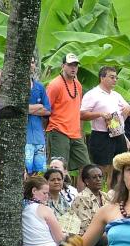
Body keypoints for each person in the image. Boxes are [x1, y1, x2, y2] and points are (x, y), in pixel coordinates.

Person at [80, 66, 130, 181]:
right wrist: (100, 114)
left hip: (118, 133)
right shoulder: (92, 94)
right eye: (112, 77)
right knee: (102, 167)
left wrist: (129, 108)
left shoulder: (116, 95)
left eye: (116, 78)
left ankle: (114, 193)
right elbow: (82, 114)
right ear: (102, 78)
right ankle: (100, 191)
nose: (115, 80)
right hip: (101, 134)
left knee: (119, 166)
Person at [46, 53, 91, 186]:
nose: (73, 68)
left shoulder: (77, 85)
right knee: (58, 168)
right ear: (63, 66)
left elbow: (77, 110)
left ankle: (82, 199)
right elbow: (46, 110)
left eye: (75, 65)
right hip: (58, 130)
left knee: (86, 167)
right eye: (70, 65)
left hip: (75, 133)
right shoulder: (55, 85)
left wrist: (81, 131)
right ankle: (57, 197)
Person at [62, 165, 110, 246]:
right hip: (85, 238)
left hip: (103, 234)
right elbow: (86, 228)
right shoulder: (82, 198)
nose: (98, 179)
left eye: (100, 176)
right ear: (86, 181)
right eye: (94, 177)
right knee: (108, 239)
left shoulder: (106, 196)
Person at [22, 176, 64, 246]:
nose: (47, 197)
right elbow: (60, 239)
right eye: (44, 193)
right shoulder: (45, 209)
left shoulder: (22, 207)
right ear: (34, 191)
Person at [26, 58, 51, 174]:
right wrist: (38, 106)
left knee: (39, 170)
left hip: (38, 134)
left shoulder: (39, 87)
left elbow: (47, 110)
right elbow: (18, 109)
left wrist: (29, 108)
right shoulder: (15, 88)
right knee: (26, 169)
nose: (30, 64)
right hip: (24, 136)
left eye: (32, 62)